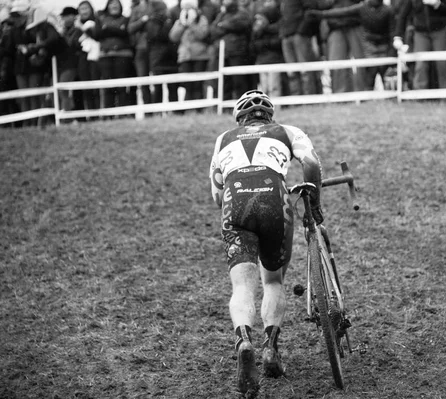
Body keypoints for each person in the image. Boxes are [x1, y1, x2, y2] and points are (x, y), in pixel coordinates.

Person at [209, 90, 324, 394]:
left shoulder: (224, 138)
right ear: (269, 115)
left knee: (243, 286)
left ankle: (243, 340)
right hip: (275, 199)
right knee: (273, 281)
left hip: (235, 202)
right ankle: (270, 347)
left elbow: (216, 194)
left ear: (239, 118)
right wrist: (315, 203)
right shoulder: (288, 131)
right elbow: (311, 164)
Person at [308, 0, 397, 91]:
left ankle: (363, 94)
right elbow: (321, 4)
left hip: (356, 23)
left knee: (362, 63)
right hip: (335, 25)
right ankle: (340, 96)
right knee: (337, 63)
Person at [393, 0, 446, 90]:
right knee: (421, 64)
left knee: (443, 63)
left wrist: (438, 5)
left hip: (439, 31)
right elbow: (403, 15)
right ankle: (419, 94)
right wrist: (397, 36)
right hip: (420, 33)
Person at [94, 0, 134, 109]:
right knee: (107, 85)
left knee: (121, 85)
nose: (114, 5)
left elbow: (125, 33)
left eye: (116, 4)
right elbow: (97, 34)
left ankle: (123, 111)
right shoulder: (101, 19)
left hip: (123, 55)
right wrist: (117, 30)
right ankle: (108, 113)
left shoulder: (126, 19)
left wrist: (107, 29)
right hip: (105, 56)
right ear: (107, 6)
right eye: (111, 3)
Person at [169, 0, 211, 101]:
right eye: (185, 8)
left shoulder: (202, 19)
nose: (187, 11)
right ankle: (189, 107)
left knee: (198, 83)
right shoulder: (180, 21)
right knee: (187, 84)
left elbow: (202, 34)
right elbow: (173, 37)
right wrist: (183, 24)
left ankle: (199, 107)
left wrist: (192, 24)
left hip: (200, 55)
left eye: (189, 8)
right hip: (185, 56)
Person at [251, 0, 284, 98]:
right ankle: (265, 108)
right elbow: (253, 46)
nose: (259, 22)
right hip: (261, 61)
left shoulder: (276, 28)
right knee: (264, 88)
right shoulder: (257, 32)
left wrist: (264, 43)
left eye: (261, 19)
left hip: (273, 60)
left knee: (273, 87)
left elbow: (277, 43)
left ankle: (276, 107)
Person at [76, 0, 101, 112]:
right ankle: (91, 113)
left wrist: (82, 28)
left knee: (95, 85)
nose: (84, 11)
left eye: (86, 8)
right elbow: (75, 42)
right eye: (82, 9)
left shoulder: (96, 22)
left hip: (95, 57)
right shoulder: (76, 26)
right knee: (86, 87)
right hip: (82, 57)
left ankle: (98, 112)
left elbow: (95, 35)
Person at [58, 6, 83, 112]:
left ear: (74, 17)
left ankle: (68, 114)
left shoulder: (78, 31)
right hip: (63, 64)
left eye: (68, 16)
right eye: (64, 16)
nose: (65, 19)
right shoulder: (61, 32)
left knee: (64, 88)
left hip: (73, 64)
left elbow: (73, 44)